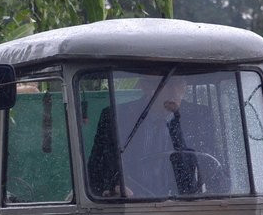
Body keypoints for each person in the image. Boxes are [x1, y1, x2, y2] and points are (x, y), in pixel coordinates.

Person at [87, 75, 216, 198]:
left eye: (179, 83)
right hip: (132, 208)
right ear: (145, 86)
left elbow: (214, 170)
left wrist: (178, 119)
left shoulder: (199, 117)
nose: (174, 91)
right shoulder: (116, 117)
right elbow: (95, 173)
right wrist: (113, 187)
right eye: (166, 83)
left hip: (184, 209)